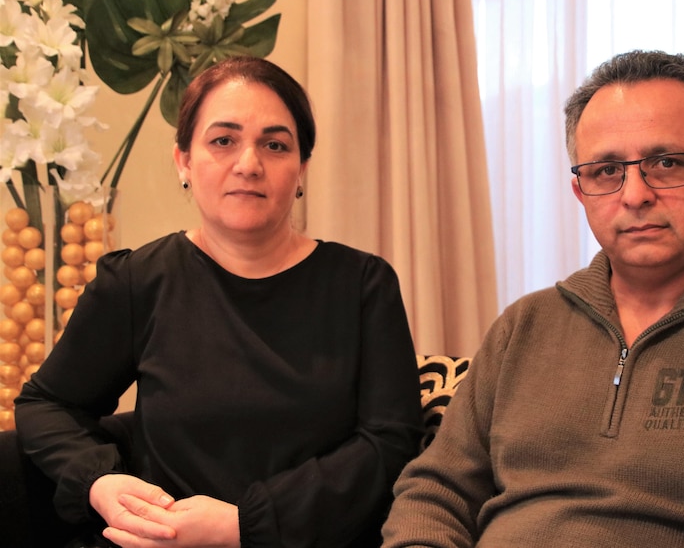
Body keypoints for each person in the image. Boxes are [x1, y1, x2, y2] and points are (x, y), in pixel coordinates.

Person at [380, 50, 684, 547]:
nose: (634, 195)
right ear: (581, 192)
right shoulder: (523, 327)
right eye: (607, 170)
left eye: (667, 162)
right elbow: (437, 491)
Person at [15, 56, 424, 548]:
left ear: (300, 170)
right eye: (223, 140)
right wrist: (99, 482)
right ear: (184, 161)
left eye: (275, 145)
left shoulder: (362, 285)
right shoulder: (137, 281)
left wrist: (242, 525)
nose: (248, 163)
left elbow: (390, 443)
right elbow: (46, 404)